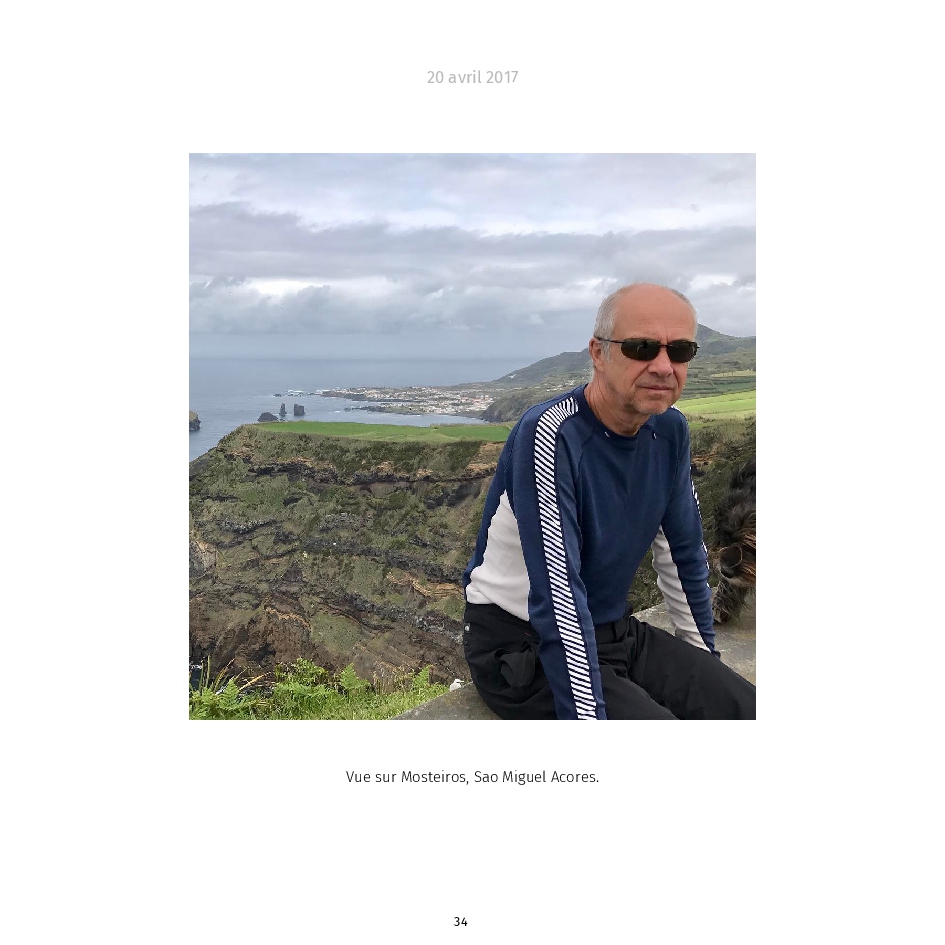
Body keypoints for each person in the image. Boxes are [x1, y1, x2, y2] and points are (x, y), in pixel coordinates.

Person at [462, 283, 756, 719]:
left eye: (680, 351)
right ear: (599, 353)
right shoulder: (552, 435)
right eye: (641, 348)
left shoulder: (670, 430)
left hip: (611, 630)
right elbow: (557, 594)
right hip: (524, 645)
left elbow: (682, 554)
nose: (663, 366)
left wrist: (701, 666)